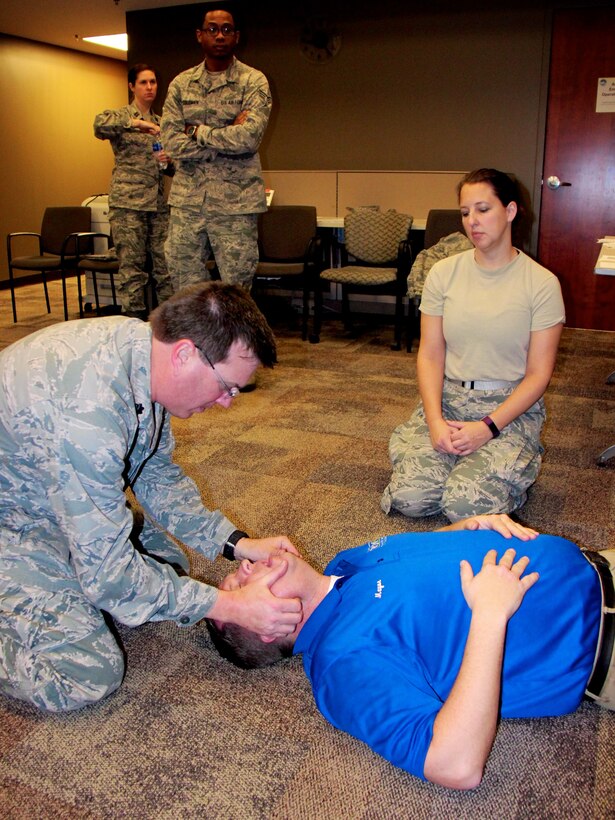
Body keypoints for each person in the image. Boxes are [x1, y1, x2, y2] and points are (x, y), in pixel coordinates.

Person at [0, 282, 301, 713]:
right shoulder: (89, 413)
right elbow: (109, 576)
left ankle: (63, 577)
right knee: (87, 672)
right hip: (14, 520)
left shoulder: (142, 354)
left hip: (49, 496)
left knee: (166, 568)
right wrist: (229, 605)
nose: (226, 403)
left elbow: (155, 472)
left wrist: (236, 543)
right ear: (185, 354)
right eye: (227, 387)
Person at [207, 514, 615, 790]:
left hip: (600, 562)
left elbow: (417, 579)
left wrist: (468, 528)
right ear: (266, 627)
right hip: (602, 636)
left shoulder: (343, 567)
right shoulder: (341, 664)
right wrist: (491, 613)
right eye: (237, 589)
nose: (242, 565)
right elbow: (455, 765)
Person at [381, 168, 566, 522]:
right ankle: (454, 463)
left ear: (510, 211)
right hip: (449, 400)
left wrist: (487, 428)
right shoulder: (443, 273)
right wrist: (434, 420)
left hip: (508, 410)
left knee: (462, 506)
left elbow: (538, 376)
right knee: (411, 499)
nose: (472, 222)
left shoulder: (541, 284)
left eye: (483, 209)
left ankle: (503, 469)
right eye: (466, 213)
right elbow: (431, 354)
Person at [160, 4, 272, 292]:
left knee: (236, 292)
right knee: (186, 288)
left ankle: (233, 340)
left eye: (226, 30)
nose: (219, 35)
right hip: (187, 203)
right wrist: (225, 136)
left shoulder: (253, 81)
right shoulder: (181, 84)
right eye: (212, 29)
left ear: (236, 36)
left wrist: (196, 132)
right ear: (200, 35)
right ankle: (193, 340)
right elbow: (171, 141)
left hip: (235, 205)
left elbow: (248, 138)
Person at [94, 64, 174, 319]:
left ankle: (167, 325)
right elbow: (99, 126)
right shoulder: (120, 118)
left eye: (153, 82)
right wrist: (135, 123)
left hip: (157, 207)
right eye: (143, 82)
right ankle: (132, 325)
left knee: (165, 268)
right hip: (128, 206)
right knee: (132, 271)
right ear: (132, 86)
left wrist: (168, 161)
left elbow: (172, 170)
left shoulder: (162, 124)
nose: (150, 87)